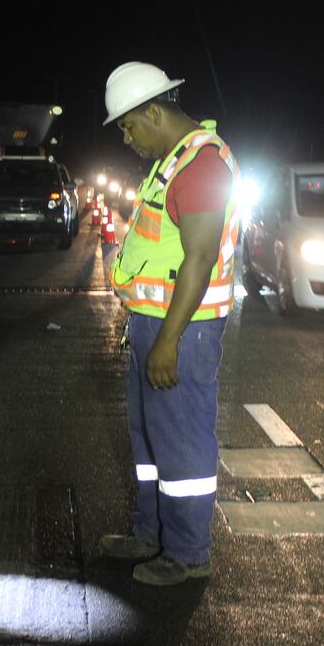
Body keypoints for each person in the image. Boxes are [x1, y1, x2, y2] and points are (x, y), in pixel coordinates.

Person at [96, 62, 241, 586]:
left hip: (184, 331)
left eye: (129, 126)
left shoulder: (201, 166)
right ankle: (151, 531)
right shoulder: (172, 163)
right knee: (149, 437)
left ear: (154, 112)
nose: (127, 138)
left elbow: (200, 259)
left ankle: (187, 552)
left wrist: (168, 340)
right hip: (154, 324)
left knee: (181, 441)